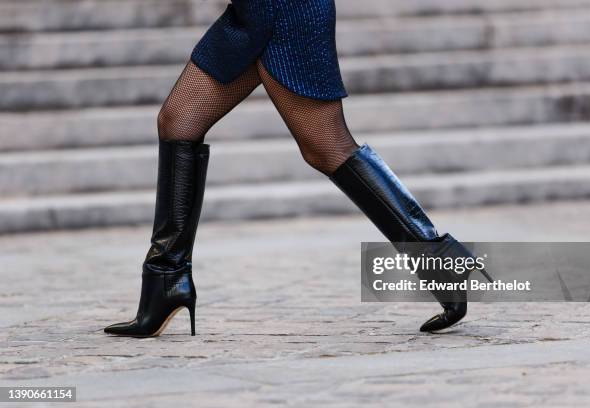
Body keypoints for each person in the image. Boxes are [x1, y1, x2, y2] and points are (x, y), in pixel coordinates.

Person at [104, 0, 489, 338]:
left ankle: (439, 259)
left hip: (285, 11)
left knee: (326, 147)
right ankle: (166, 280)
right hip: (251, 14)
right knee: (178, 122)